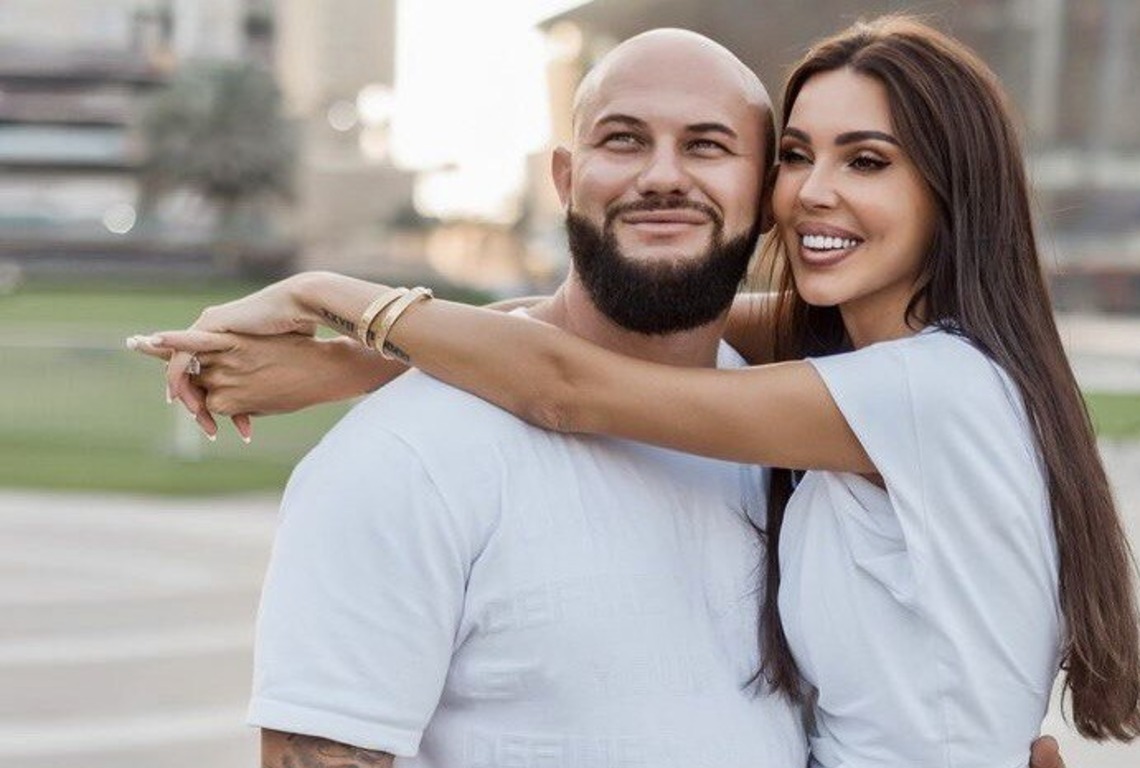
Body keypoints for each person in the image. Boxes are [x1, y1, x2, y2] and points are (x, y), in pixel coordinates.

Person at [133, 21, 1085, 768]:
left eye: (867, 161)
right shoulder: (406, 460)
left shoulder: (926, 392)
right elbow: (599, 338)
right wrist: (363, 366)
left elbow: (566, 385)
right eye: (800, 156)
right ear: (565, 176)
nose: (813, 193)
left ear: (952, 193)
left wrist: (324, 296)